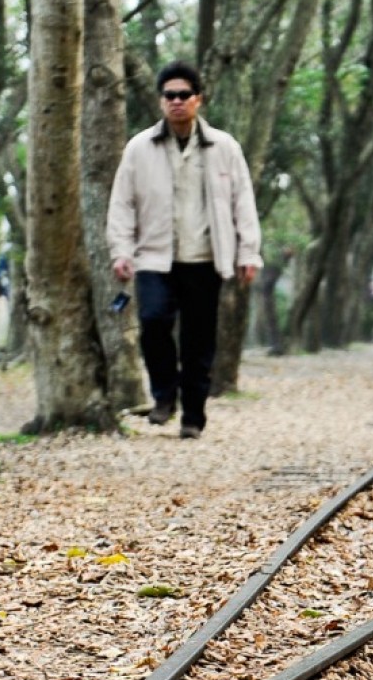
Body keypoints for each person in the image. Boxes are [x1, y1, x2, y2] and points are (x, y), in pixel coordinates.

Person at [108, 61, 261, 438]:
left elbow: (243, 201)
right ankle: (164, 396)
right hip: (154, 258)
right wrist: (121, 251)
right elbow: (122, 203)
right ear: (161, 101)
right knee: (154, 323)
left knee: (198, 341)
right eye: (169, 95)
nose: (177, 102)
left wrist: (248, 253)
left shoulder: (224, 147)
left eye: (184, 95)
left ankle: (193, 415)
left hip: (205, 258)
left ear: (198, 100)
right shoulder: (139, 148)